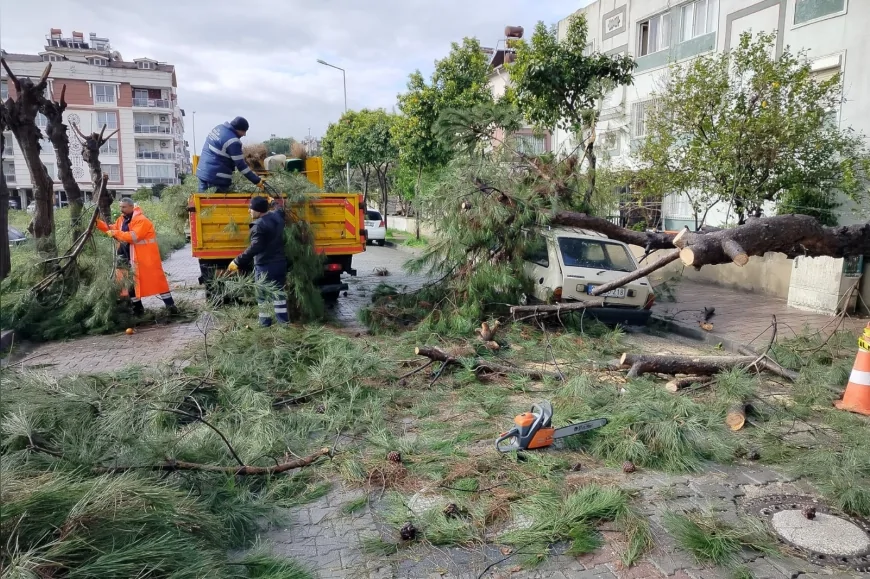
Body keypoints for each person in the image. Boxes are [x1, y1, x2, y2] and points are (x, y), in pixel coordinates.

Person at [97, 198, 178, 316]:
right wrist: (98, 223)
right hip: (128, 256)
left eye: (124, 207)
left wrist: (115, 233)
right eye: (120, 207)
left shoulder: (142, 220)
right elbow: (113, 228)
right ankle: (138, 310)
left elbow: (134, 237)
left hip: (144, 259)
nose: (121, 209)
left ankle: (171, 307)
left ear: (131, 207)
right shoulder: (122, 219)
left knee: (158, 282)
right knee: (130, 283)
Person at [227, 196, 288, 326]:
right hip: (279, 264)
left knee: (262, 296)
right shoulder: (277, 217)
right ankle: (283, 323)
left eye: (251, 208)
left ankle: (265, 324)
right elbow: (280, 209)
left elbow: (255, 247)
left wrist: (237, 261)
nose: (249, 210)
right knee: (279, 294)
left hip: (265, 266)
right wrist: (273, 202)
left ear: (258, 210)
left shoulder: (259, 225)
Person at [196, 116, 267, 193]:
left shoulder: (219, 128)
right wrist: (257, 181)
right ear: (239, 129)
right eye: (244, 131)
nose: (244, 134)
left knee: (204, 197)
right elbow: (241, 166)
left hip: (203, 172)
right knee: (216, 200)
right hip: (216, 179)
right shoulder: (233, 141)